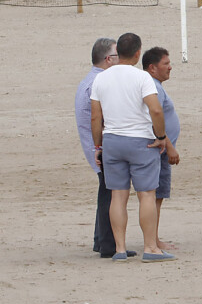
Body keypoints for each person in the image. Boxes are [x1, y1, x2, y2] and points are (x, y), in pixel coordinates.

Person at [90, 32, 174, 262]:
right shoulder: (141, 78)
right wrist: (161, 135)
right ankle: (150, 247)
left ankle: (119, 248)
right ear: (138, 53)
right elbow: (155, 110)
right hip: (140, 140)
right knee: (146, 194)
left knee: (118, 195)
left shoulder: (101, 78)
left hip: (113, 140)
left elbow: (96, 118)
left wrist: (98, 145)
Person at [74, 37, 135, 259]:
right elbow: (98, 119)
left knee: (106, 191)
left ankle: (102, 240)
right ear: (109, 59)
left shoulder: (91, 80)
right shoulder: (98, 82)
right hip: (100, 146)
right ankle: (109, 243)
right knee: (112, 193)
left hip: (97, 145)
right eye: (118, 56)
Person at [142, 47, 181, 253]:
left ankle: (154, 239)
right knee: (155, 196)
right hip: (160, 150)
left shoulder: (155, 86)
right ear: (152, 68)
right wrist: (170, 146)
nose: (170, 67)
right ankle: (153, 241)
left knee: (157, 196)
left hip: (162, 149)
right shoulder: (153, 88)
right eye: (166, 63)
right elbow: (153, 118)